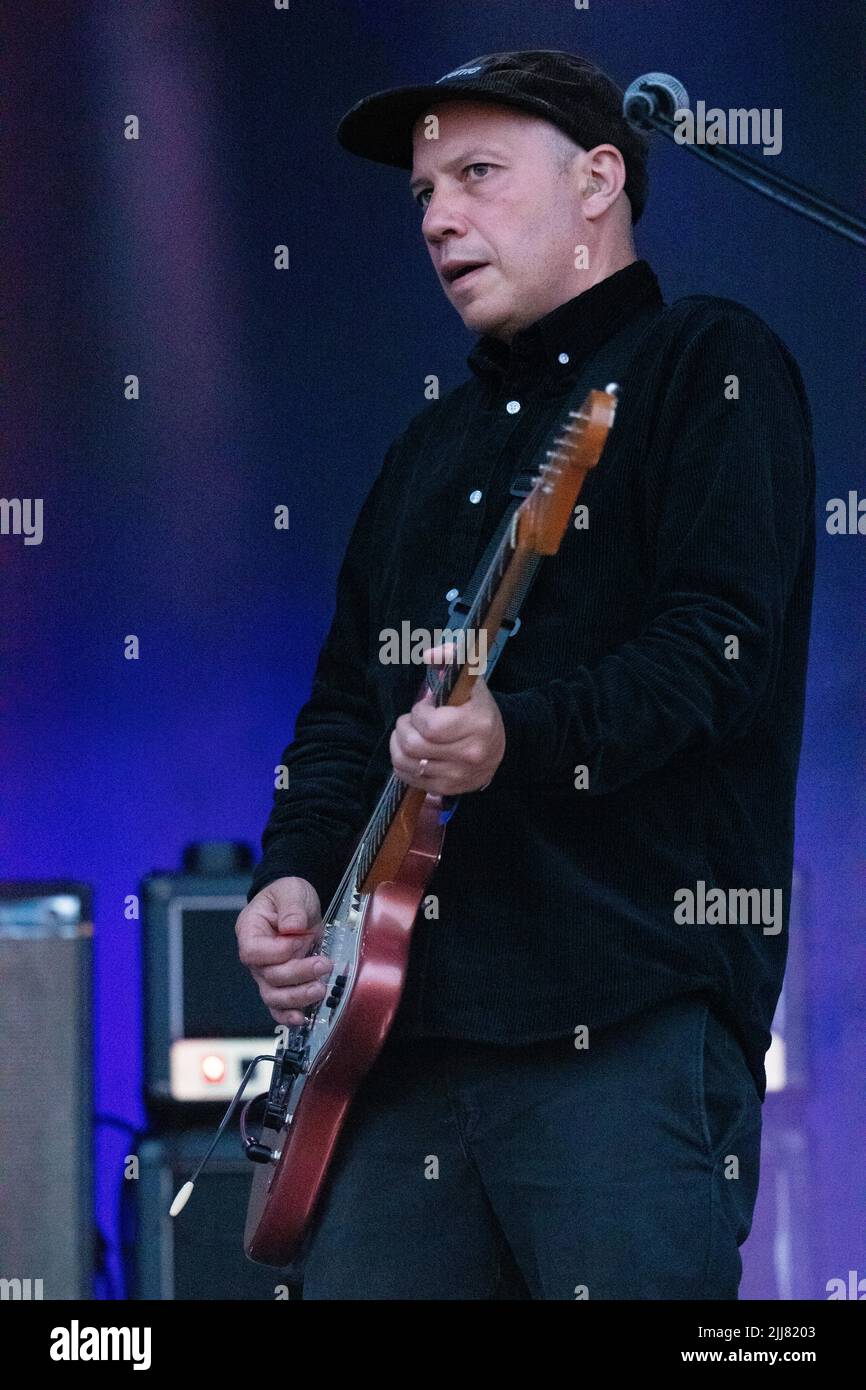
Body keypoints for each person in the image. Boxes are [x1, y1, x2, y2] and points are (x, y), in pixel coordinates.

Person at [234, 50, 815, 1299]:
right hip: (391, 1050)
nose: (438, 216)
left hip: (618, 1025)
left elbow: (717, 653)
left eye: (477, 175)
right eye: (423, 195)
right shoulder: (424, 452)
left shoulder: (699, 363)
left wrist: (522, 735)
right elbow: (345, 711)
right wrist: (291, 872)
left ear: (598, 179)